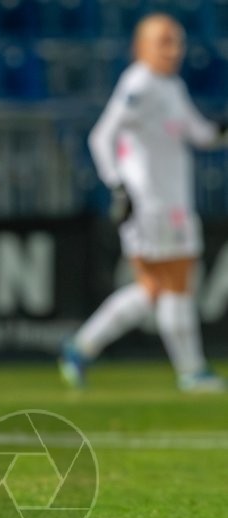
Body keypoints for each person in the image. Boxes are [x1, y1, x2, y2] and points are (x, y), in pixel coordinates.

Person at [60, 13, 225, 393]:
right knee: (176, 283)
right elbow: (102, 137)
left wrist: (219, 130)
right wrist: (118, 187)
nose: (174, 49)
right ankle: (192, 370)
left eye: (178, 41)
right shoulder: (141, 83)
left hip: (162, 203)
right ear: (140, 47)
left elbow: (198, 133)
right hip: (154, 203)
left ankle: (81, 346)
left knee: (151, 289)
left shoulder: (169, 86)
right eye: (164, 41)